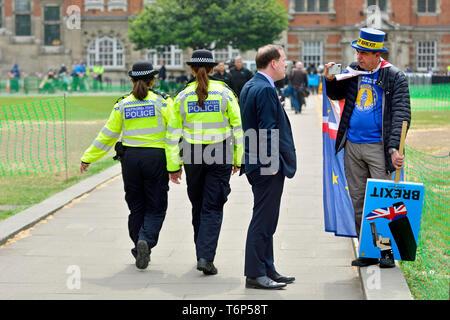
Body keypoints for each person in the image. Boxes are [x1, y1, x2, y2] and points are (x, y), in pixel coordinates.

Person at [324, 28, 411, 268]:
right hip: (352, 145)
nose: (359, 57)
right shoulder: (353, 71)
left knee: (383, 203)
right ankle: (368, 250)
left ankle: (386, 253)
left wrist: (394, 148)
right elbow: (337, 93)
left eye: (364, 53)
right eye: (358, 51)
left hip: (379, 148)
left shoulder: (394, 76)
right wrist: (330, 80)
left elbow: (402, 114)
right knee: (359, 201)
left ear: (377, 54)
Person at [80, 61, 171, 270]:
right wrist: (177, 162)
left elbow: (108, 135)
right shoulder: (163, 102)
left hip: (130, 159)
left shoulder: (122, 104)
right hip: (155, 158)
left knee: (136, 206)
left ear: (131, 80)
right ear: (153, 80)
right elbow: (175, 131)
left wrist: (88, 157)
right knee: (156, 206)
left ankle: (137, 245)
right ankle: (146, 241)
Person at [165, 49, 243, 276]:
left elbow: (171, 135)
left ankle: (201, 252)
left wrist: (172, 166)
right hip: (219, 153)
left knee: (198, 205)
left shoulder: (181, 96)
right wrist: (239, 159)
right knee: (213, 206)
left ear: (191, 69)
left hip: (192, 154)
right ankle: (206, 256)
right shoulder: (226, 94)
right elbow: (238, 128)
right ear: (212, 68)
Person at [239, 44, 297, 290]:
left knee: (268, 219)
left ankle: (267, 267)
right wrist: (271, 162)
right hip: (266, 165)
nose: (286, 64)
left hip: (257, 162)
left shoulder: (253, 85)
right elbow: (267, 129)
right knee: (263, 220)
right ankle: (255, 274)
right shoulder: (263, 89)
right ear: (273, 63)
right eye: (283, 60)